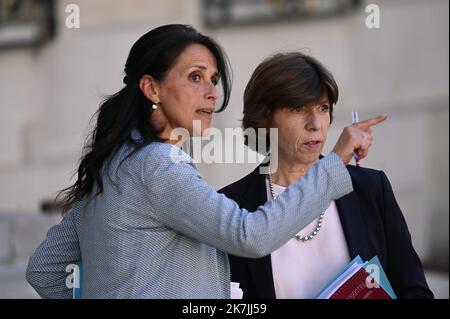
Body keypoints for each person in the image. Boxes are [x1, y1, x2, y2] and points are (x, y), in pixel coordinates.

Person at [26, 25, 385, 299]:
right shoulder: (157, 166)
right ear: (151, 89)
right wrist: (335, 162)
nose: (212, 93)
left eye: (213, 80)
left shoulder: (113, 165)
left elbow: (45, 270)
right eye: (195, 77)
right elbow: (251, 235)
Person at [219, 52, 433, 299]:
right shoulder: (231, 208)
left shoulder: (370, 188)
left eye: (322, 108)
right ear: (265, 118)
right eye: (298, 109)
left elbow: (414, 289)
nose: (315, 123)